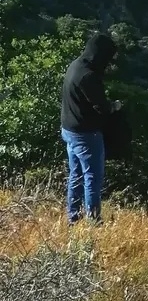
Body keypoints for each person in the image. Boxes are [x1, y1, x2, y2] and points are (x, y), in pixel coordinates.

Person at [60, 32, 120, 224]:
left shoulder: (75, 65)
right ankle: (94, 222)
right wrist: (115, 106)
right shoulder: (89, 76)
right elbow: (102, 107)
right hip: (85, 134)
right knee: (92, 178)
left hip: (69, 129)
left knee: (76, 175)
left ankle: (73, 218)